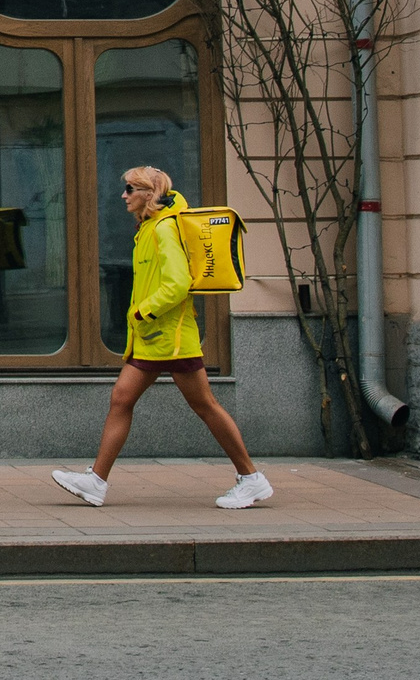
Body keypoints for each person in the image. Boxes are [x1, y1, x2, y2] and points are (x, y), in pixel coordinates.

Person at [52, 165, 273, 510]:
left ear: (148, 193)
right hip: (156, 338)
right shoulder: (150, 227)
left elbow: (178, 283)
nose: (123, 195)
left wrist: (144, 312)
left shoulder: (164, 229)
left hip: (168, 338)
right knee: (123, 399)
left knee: (204, 405)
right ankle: (96, 481)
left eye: (130, 189)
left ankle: (251, 478)